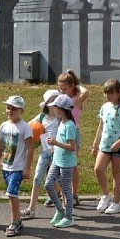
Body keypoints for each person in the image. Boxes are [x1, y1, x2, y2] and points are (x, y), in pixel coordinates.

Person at [93, 79, 120, 215]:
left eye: (110, 93)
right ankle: (106, 195)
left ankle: (116, 203)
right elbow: (101, 126)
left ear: (117, 93)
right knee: (98, 169)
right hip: (105, 144)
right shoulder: (105, 107)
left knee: (116, 173)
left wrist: (119, 142)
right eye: (106, 93)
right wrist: (95, 144)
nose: (107, 96)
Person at [0, 95, 34, 237]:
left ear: (21, 110)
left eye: (14, 109)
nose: (10, 111)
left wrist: (27, 167)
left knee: (11, 194)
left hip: (18, 167)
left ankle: (15, 222)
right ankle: (17, 219)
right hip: (6, 166)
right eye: (8, 108)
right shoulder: (4, 126)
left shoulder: (25, 127)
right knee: (11, 195)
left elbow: (30, 148)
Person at [21, 90, 60, 219]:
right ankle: (31, 209)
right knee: (37, 178)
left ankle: (64, 207)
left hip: (57, 153)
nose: (55, 103)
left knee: (57, 180)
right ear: (47, 104)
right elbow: (28, 126)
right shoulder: (42, 117)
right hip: (45, 152)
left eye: (57, 100)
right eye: (52, 101)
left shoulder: (60, 117)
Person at [44, 94, 79, 228]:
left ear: (62, 109)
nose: (54, 110)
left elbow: (72, 147)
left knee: (66, 191)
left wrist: (56, 143)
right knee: (48, 184)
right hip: (57, 160)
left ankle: (69, 217)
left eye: (56, 108)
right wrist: (55, 148)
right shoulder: (62, 123)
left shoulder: (69, 125)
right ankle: (60, 210)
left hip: (66, 163)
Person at [57, 69, 90, 205]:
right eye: (60, 88)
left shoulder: (76, 99)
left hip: (72, 134)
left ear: (72, 87)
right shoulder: (61, 98)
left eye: (64, 88)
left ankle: (74, 194)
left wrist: (76, 83)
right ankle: (62, 193)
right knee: (59, 165)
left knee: (72, 166)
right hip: (61, 132)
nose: (62, 91)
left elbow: (86, 91)